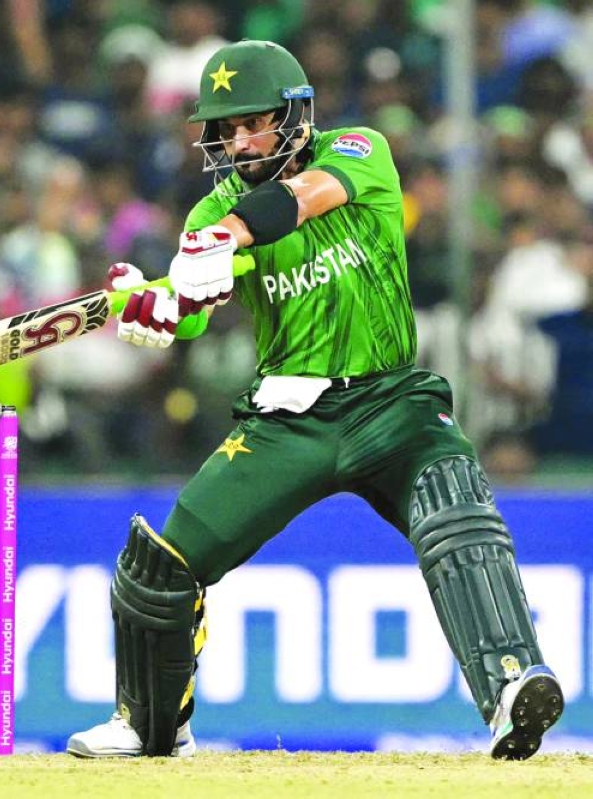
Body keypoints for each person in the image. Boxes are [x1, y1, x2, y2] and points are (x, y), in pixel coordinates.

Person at [66, 40, 564, 762]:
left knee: (456, 506)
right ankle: (150, 724)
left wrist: (224, 236)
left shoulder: (360, 148)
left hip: (392, 401)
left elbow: (303, 198)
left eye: (253, 123)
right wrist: (159, 305)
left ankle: (514, 685)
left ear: (297, 116)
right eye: (224, 129)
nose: (237, 142)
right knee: (159, 566)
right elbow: (194, 306)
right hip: (286, 418)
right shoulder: (214, 205)